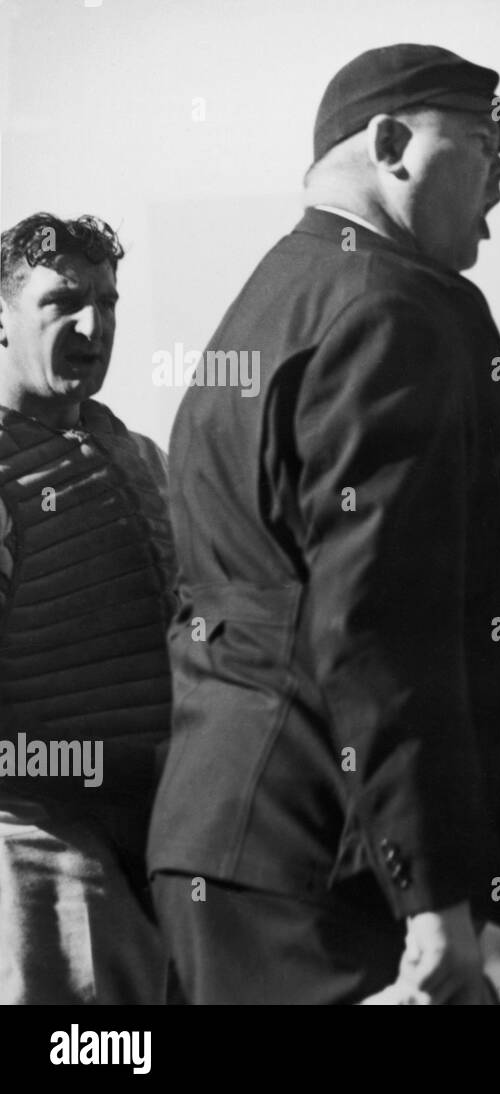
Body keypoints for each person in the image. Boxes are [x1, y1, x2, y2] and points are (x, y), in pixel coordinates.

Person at [147, 44, 500, 1005]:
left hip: (225, 840)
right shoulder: (395, 308)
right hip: (324, 859)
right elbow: (375, 621)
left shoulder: (269, 303)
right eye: (484, 144)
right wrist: (435, 891)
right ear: (393, 144)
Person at [0, 212, 172, 1003]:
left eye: (107, 301)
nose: (92, 324)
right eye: (63, 301)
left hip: (163, 836)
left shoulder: (138, 457)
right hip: (43, 848)